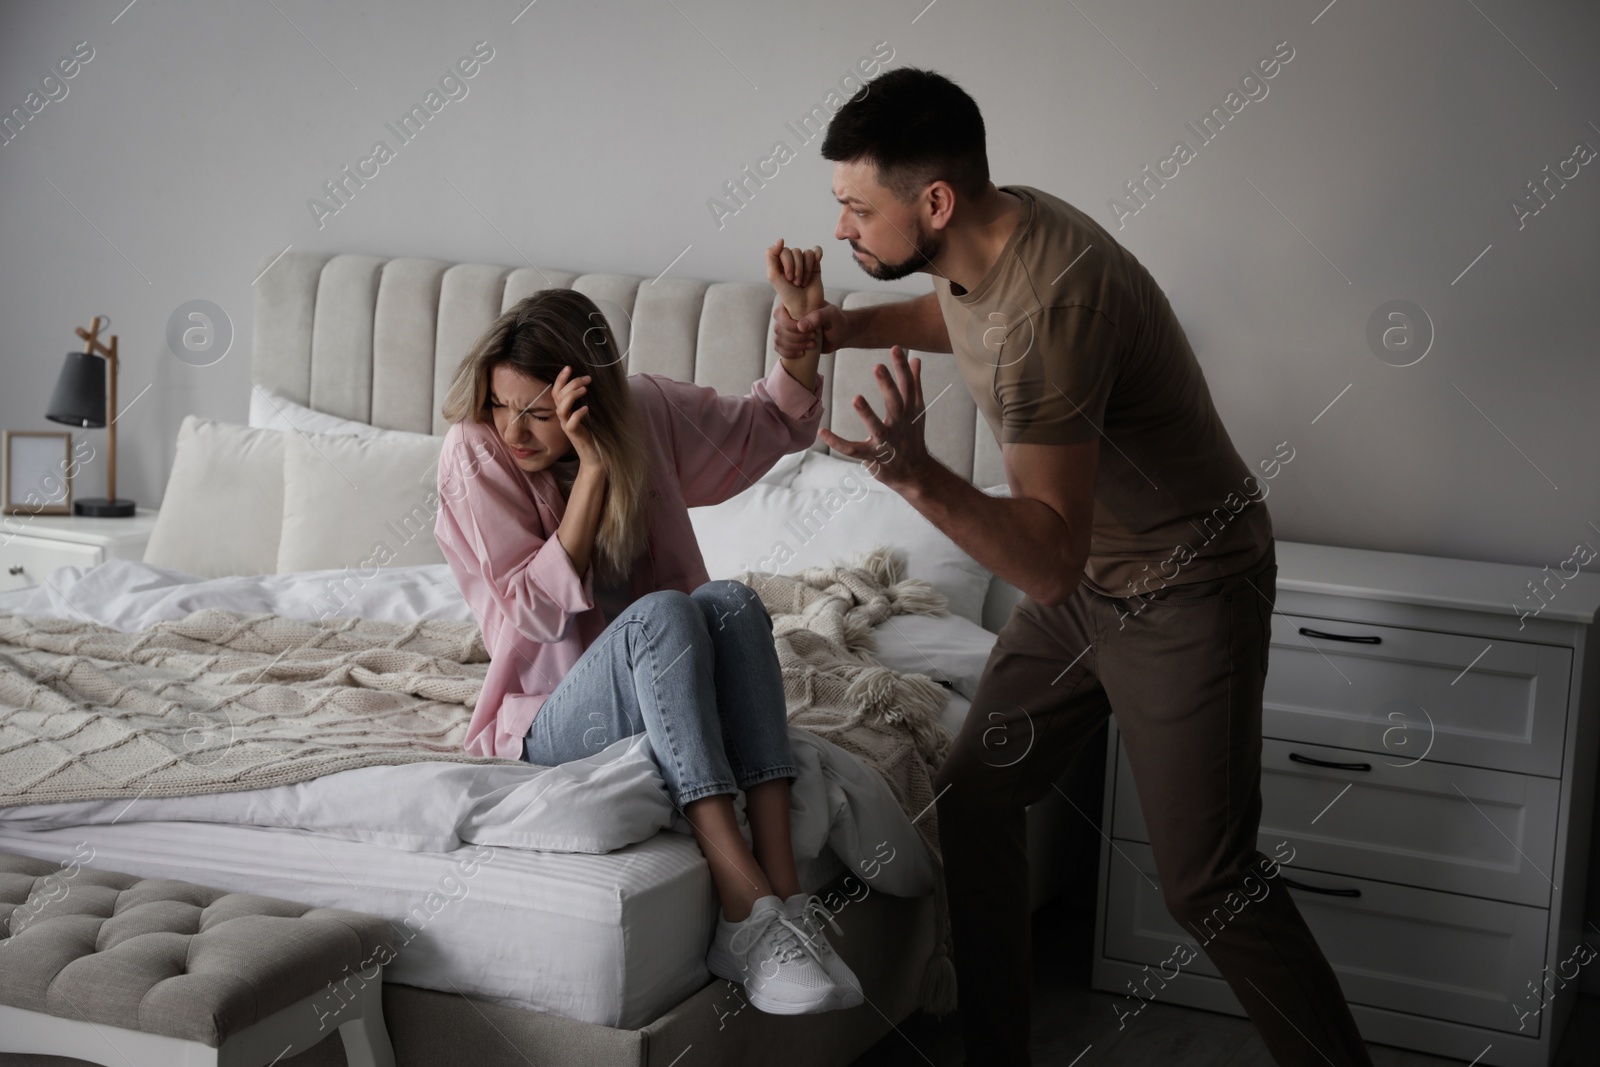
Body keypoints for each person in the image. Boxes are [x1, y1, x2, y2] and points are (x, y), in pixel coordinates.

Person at [769, 67, 1374, 1065]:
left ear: (932, 201)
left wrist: (917, 477)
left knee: (1207, 881)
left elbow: (1043, 566)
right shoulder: (995, 232)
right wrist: (841, 325)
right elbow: (957, 315)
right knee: (976, 792)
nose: (839, 230)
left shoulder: (1053, 313)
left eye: (852, 207)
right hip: (1093, 574)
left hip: (1185, 587)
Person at [433, 246, 864, 1016]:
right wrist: (592, 474)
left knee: (729, 600)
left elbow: (769, 427)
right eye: (501, 405)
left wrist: (798, 343)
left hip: (666, 683)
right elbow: (527, 613)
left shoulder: (647, 412)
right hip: (549, 714)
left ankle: (788, 903)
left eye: (537, 412)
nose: (514, 430)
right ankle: (743, 906)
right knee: (666, 609)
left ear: (591, 398)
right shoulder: (476, 454)